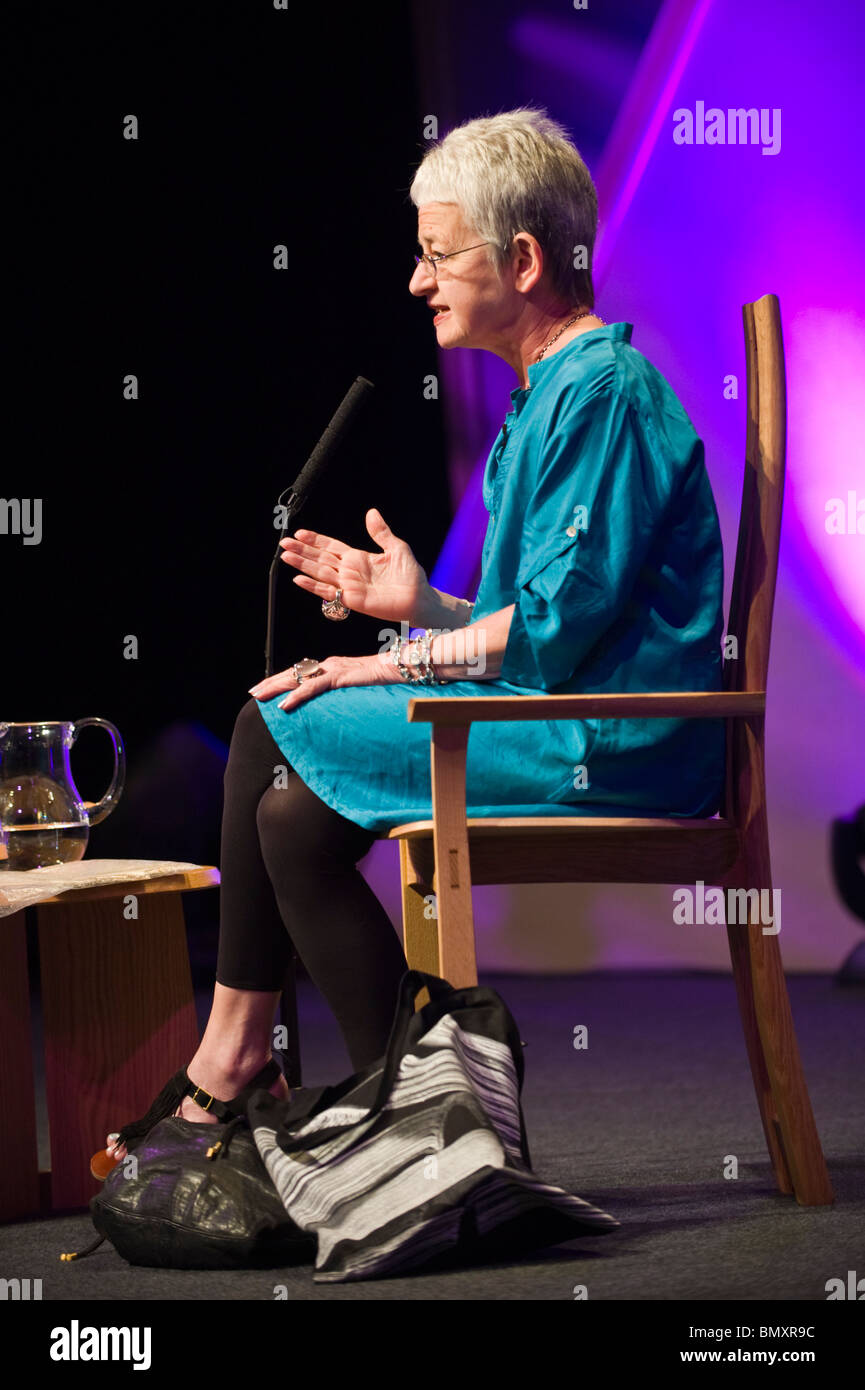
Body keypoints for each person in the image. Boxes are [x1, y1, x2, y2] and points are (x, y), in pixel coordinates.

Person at [98, 107, 724, 1169]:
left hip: (609, 738)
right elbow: (527, 626)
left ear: (522, 260)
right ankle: (430, 1106)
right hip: (556, 711)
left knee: (272, 710)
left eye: (438, 255)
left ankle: (234, 1057)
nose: (416, 281)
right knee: (292, 819)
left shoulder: (604, 391)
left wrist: (394, 657)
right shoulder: (544, 401)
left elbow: (551, 637)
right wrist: (418, 611)